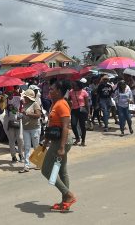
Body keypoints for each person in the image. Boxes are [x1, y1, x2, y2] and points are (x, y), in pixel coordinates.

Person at [41, 80, 77, 212]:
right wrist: (45, 142)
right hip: (57, 140)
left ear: (59, 91)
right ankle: (65, 201)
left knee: (47, 170)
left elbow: (66, 127)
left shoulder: (62, 105)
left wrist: (61, 147)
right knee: (61, 171)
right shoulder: (54, 104)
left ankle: (68, 195)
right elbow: (51, 126)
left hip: (62, 141)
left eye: (52, 89)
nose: (49, 91)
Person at [19, 89, 42, 173]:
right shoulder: (24, 104)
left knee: (36, 146)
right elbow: (23, 114)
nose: (24, 98)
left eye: (26, 96)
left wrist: (26, 114)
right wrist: (20, 116)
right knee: (27, 147)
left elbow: (38, 115)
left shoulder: (35, 104)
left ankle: (39, 163)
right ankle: (26, 165)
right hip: (26, 128)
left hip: (35, 128)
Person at [1, 87, 24, 163]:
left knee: (20, 138)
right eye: (8, 92)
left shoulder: (17, 98)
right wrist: (2, 102)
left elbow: (23, 103)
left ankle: (21, 154)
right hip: (9, 121)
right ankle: (13, 156)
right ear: (6, 93)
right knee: (11, 139)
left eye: (11, 92)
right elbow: (0, 111)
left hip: (17, 119)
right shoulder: (4, 100)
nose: (10, 93)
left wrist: (15, 108)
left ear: (13, 91)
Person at [69, 80, 90, 146]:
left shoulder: (84, 92)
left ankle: (83, 141)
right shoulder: (71, 92)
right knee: (73, 124)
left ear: (79, 85)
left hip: (82, 110)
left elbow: (87, 104)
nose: (74, 86)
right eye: (73, 85)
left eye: (75, 85)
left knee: (82, 126)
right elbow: (67, 99)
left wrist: (88, 113)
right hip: (74, 110)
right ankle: (77, 138)